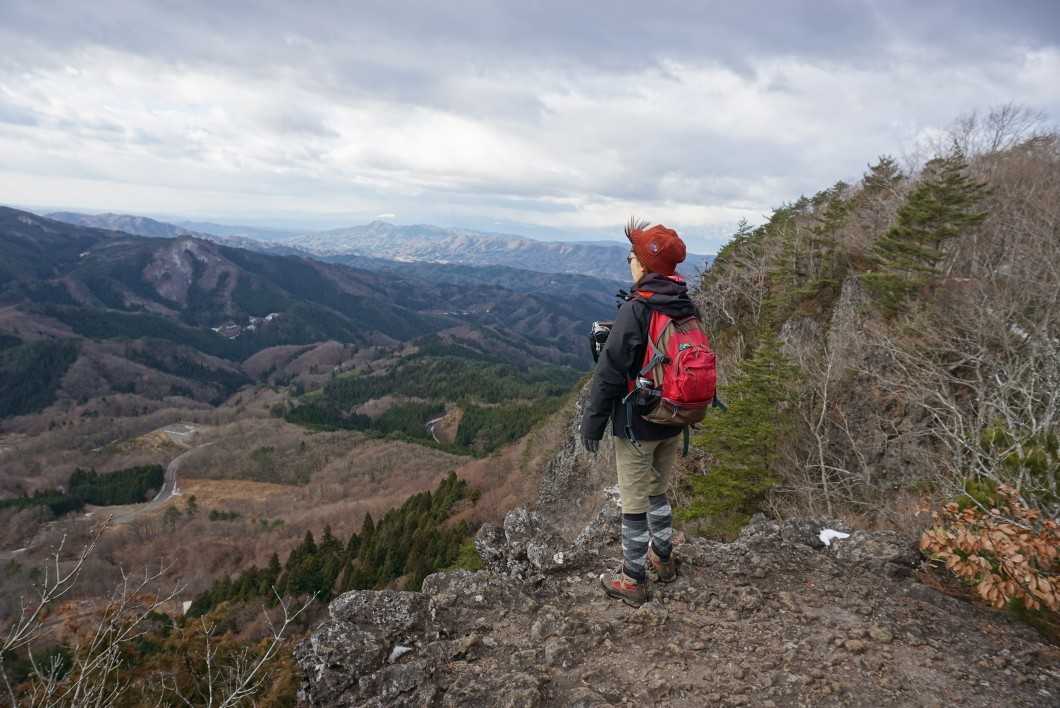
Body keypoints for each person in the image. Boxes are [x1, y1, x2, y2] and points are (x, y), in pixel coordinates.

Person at [581, 219, 693, 606]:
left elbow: (609, 372)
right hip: (674, 417)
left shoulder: (638, 307)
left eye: (633, 254)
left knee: (633, 502)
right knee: (658, 490)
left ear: (644, 264)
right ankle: (663, 558)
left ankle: (632, 578)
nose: (629, 259)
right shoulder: (684, 304)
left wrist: (593, 423)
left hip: (638, 422)